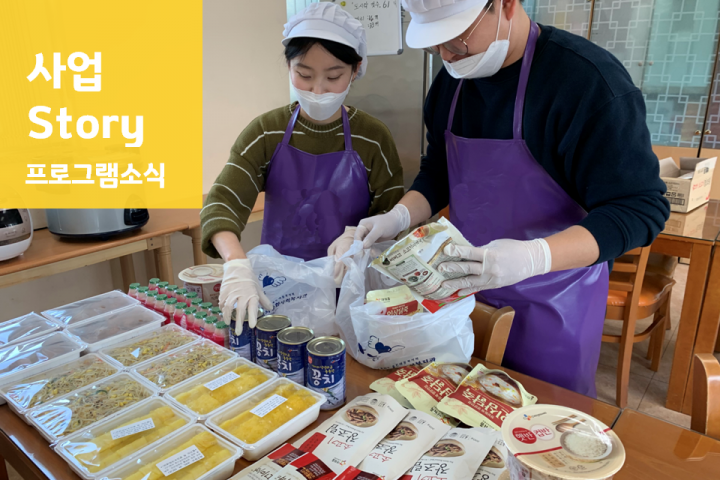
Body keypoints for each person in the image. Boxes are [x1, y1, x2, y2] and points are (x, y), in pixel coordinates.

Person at [343, 0, 670, 396]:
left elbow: (638, 208)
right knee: (456, 412)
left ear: (506, 4)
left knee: (537, 419)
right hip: (460, 297)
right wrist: (397, 217)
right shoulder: (452, 82)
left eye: (456, 39)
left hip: (554, 305)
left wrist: (533, 257)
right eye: (435, 44)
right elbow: (439, 171)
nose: (447, 55)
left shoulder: (586, 83)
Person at [201, 3, 404, 331]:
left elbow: (394, 218)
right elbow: (222, 203)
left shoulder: (373, 137)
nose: (318, 90)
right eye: (304, 75)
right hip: (280, 293)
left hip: (350, 294)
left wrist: (358, 238)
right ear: (288, 66)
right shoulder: (266, 132)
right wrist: (237, 266)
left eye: (334, 76)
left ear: (355, 70)